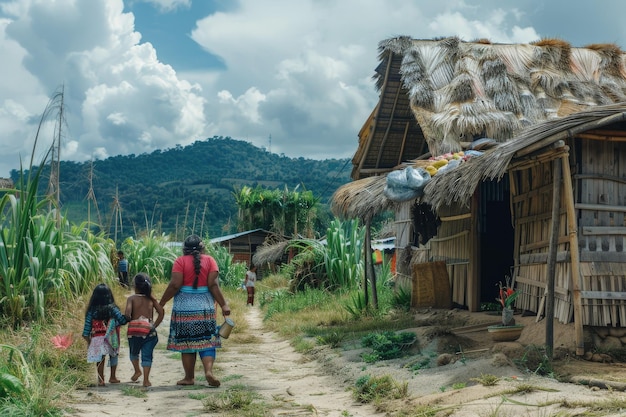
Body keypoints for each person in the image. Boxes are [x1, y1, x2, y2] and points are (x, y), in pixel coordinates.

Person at [159, 235, 231, 387]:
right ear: (202, 248)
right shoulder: (210, 261)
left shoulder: (180, 261)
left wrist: (162, 301)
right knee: (207, 340)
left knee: (187, 343)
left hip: (184, 308)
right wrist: (224, 304)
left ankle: (189, 377)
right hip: (205, 307)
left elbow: (175, 284)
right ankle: (209, 371)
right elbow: (213, 285)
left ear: (184, 249)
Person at [82, 283, 129, 386]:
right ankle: (113, 377)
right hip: (112, 337)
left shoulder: (91, 310)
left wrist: (89, 341)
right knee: (114, 355)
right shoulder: (113, 308)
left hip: (97, 338)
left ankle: (101, 379)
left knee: (100, 359)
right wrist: (128, 316)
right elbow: (122, 320)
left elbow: (86, 330)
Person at [125, 273, 164, 387]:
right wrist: (154, 325)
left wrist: (129, 319)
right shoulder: (151, 299)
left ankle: (137, 370)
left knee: (134, 352)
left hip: (134, 331)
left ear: (135, 286)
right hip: (148, 330)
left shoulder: (131, 299)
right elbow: (161, 313)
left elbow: (127, 313)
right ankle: (146, 380)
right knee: (147, 355)